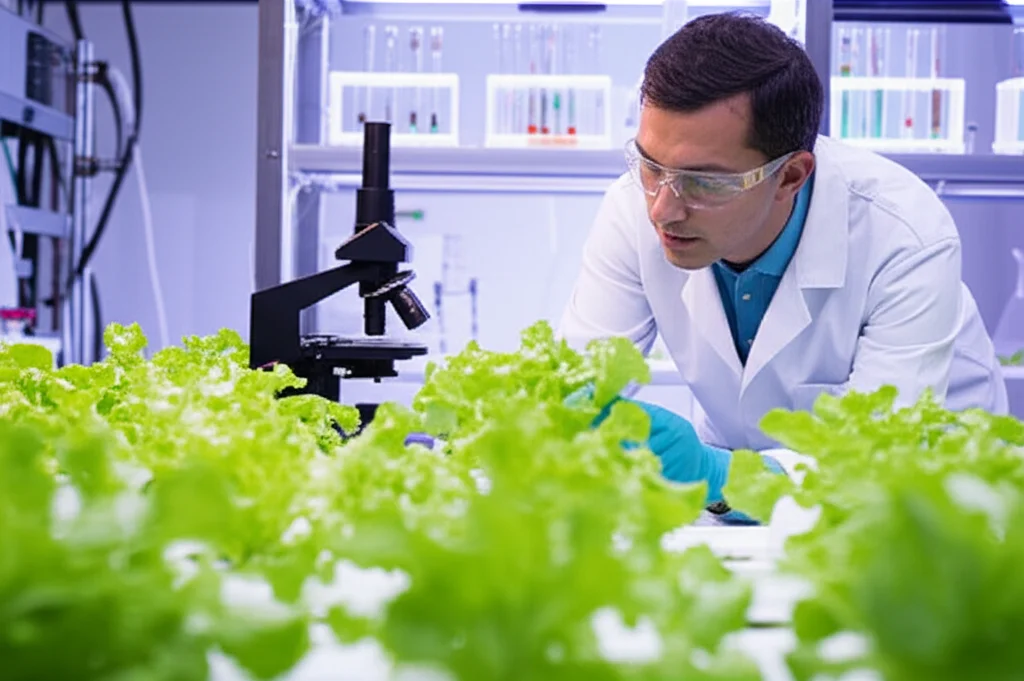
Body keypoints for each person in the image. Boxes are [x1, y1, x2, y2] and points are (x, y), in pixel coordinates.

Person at [557, 12, 1008, 507]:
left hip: (931, 500)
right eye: (649, 164)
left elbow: (882, 458)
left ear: (791, 175)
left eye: (704, 181)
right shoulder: (631, 208)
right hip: (745, 500)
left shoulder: (905, 235)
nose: (662, 208)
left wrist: (716, 472)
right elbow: (577, 381)